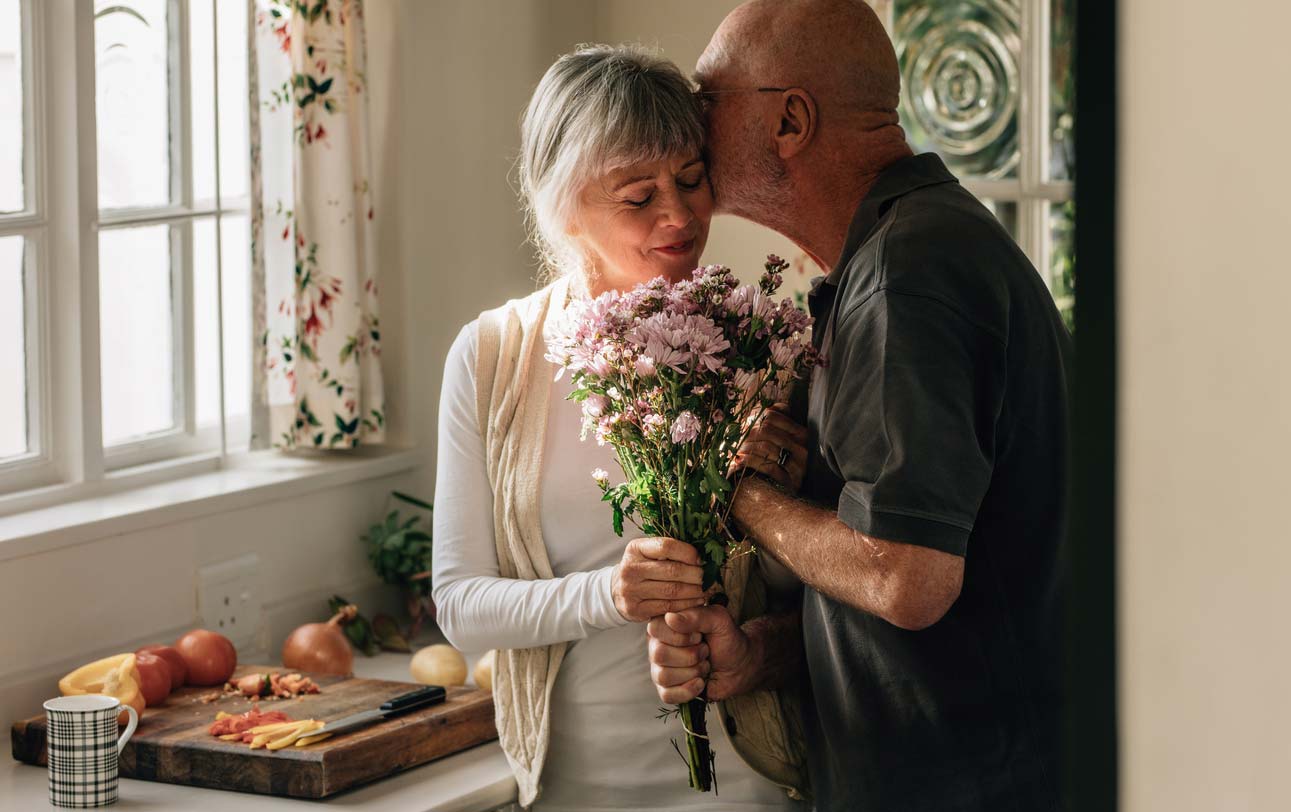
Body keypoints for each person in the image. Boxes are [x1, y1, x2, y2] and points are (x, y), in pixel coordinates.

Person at [646, 1, 1073, 810]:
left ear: (789, 120)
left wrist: (739, 495)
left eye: (708, 100)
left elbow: (906, 580)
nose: (690, 125)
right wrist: (759, 656)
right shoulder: (901, 257)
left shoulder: (906, 276)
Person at [431, 44, 806, 811]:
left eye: (692, 180)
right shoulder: (495, 359)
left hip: (751, 783)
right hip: (576, 787)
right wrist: (611, 593)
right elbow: (463, 609)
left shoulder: (759, 350)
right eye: (638, 196)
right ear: (564, 207)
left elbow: (821, 604)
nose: (679, 215)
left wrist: (776, 499)